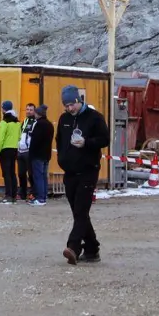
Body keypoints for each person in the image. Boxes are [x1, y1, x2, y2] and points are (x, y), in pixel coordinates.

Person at [56, 86, 109, 264]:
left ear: (79, 101)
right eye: (66, 105)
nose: (69, 108)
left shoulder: (94, 118)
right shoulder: (64, 119)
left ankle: (73, 247)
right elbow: (60, 140)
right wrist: (61, 158)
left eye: (72, 104)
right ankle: (92, 249)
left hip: (88, 170)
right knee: (79, 213)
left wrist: (86, 143)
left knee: (80, 210)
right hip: (69, 171)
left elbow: (105, 139)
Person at [0, 101, 22, 204]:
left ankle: (8, 196)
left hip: (5, 150)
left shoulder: (4, 122)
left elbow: (0, 139)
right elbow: (19, 137)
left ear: (3, 109)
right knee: (12, 173)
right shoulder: (17, 122)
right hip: (14, 149)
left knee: (6, 174)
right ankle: (14, 196)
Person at [27, 105, 54, 205]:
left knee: (38, 176)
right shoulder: (49, 125)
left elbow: (35, 141)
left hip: (37, 155)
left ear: (38, 114)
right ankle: (44, 196)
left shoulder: (39, 124)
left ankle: (40, 198)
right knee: (43, 176)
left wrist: (30, 153)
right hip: (46, 154)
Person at [17, 104, 38, 202]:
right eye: (27, 109)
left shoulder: (35, 122)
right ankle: (23, 193)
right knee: (21, 173)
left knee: (31, 174)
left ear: (34, 111)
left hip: (29, 151)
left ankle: (33, 192)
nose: (29, 111)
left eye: (31, 110)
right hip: (20, 150)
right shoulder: (24, 121)